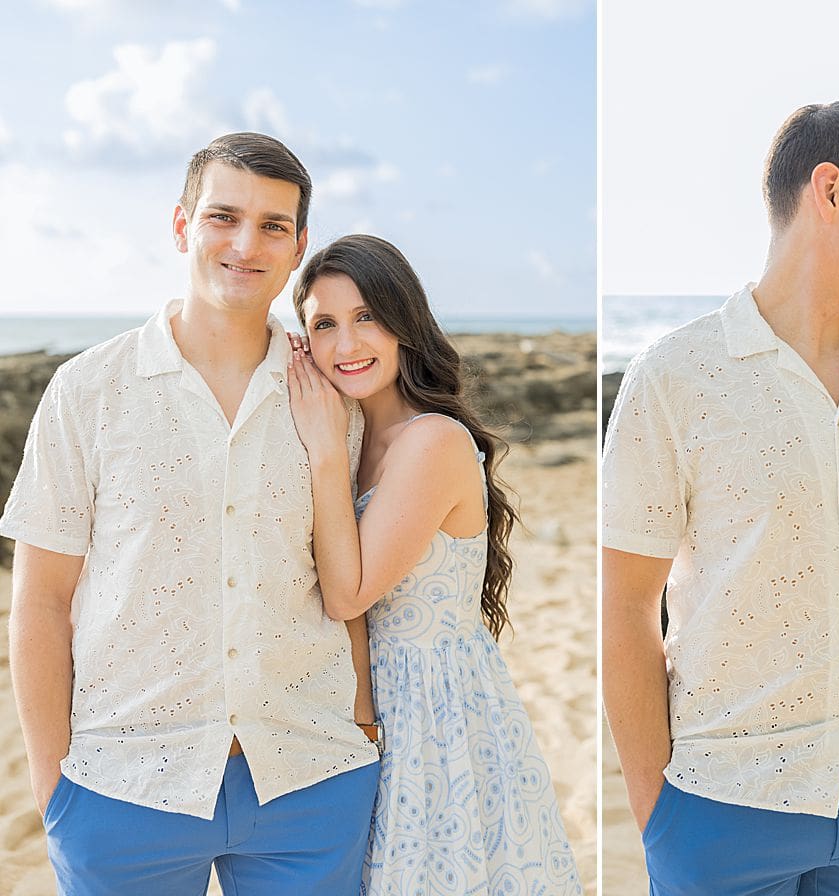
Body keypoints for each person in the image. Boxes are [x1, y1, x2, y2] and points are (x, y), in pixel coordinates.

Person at [602, 101, 839, 895]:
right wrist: (658, 816)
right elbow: (626, 607)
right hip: (723, 808)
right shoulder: (673, 377)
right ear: (831, 190)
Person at [0, 133, 381, 895]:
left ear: (298, 245)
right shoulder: (88, 390)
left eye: (273, 226)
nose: (246, 244)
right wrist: (54, 790)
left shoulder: (335, 399)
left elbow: (352, 586)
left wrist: (364, 729)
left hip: (311, 779)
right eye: (223, 217)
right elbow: (40, 601)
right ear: (182, 226)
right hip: (122, 788)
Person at [285, 233, 583, 895]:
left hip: (433, 710)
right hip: (356, 704)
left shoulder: (433, 441)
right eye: (324, 325)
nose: (346, 343)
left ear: (403, 322)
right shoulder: (355, 435)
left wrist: (324, 453)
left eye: (366, 316)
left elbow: (347, 594)